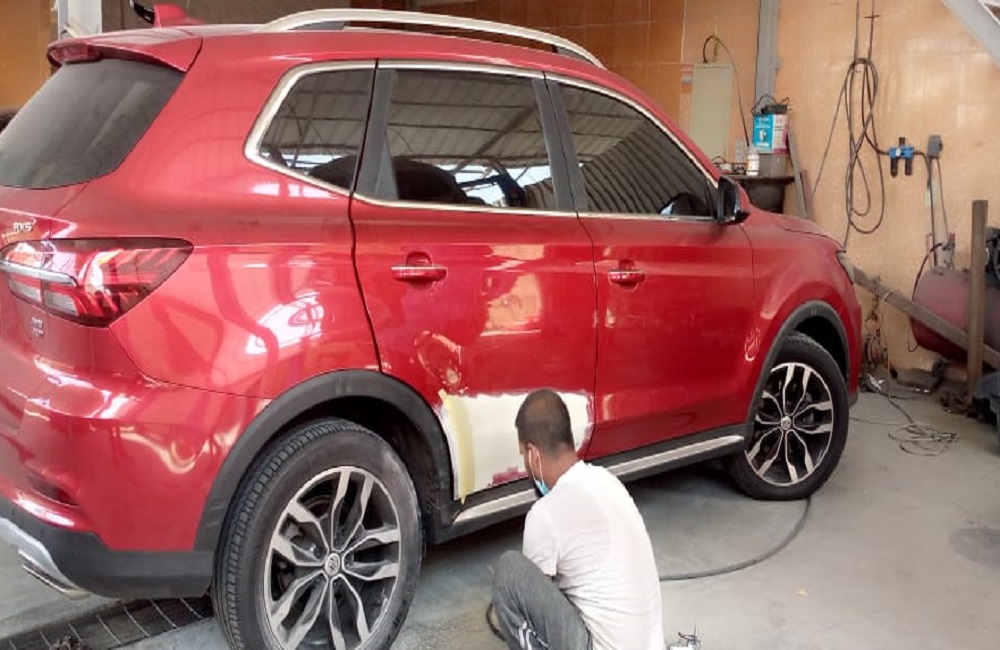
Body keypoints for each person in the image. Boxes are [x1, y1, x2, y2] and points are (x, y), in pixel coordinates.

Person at [491, 389, 665, 650]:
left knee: (509, 573)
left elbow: (538, 604)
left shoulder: (544, 514)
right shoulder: (608, 481)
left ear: (533, 453)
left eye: (523, 455)